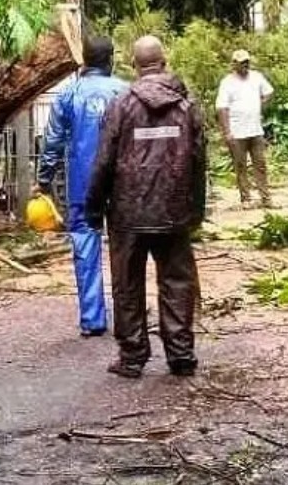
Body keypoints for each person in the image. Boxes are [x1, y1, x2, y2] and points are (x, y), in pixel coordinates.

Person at [86, 36, 207, 379]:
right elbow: (200, 161)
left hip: (128, 213)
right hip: (174, 212)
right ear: (164, 62)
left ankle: (133, 356)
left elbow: (103, 162)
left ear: (135, 65)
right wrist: (196, 209)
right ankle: (181, 355)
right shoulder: (187, 106)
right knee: (178, 282)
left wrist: (93, 208)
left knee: (127, 284)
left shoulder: (121, 105)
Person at [35, 35, 127, 337]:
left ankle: (92, 318)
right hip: (122, 183)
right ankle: (128, 314)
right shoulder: (125, 92)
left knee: (85, 246)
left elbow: (53, 142)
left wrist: (44, 179)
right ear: (110, 59)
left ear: (84, 60)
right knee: (125, 247)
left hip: (82, 184)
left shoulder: (68, 94)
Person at [216, 49, 274, 209]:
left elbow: (269, 92)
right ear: (234, 64)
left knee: (260, 164)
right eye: (242, 62)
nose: (245, 65)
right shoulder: (227, 82)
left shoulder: (256, 77)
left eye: (247, 62)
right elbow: (222, 108)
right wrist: (227, 132)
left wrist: (259, 105)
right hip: (237, 131)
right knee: (240, 166)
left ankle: (265, 198)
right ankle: (246, 198)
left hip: (255, 129)